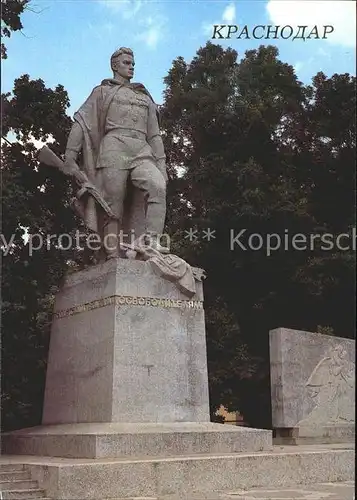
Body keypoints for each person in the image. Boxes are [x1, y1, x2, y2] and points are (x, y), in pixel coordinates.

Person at [64, 47, 168, 258]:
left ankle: (151, 243)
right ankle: (112, 254)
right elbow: (82, 122)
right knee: (113, 202)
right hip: (114, 146)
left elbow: (154, 135)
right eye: (126, 63)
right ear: (114, 65)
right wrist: (70, 155)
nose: (131, 67)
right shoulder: (101, 92)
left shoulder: (144, 97)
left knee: (157, 186)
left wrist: (162, 164)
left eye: (132, 64)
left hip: (142, 149)